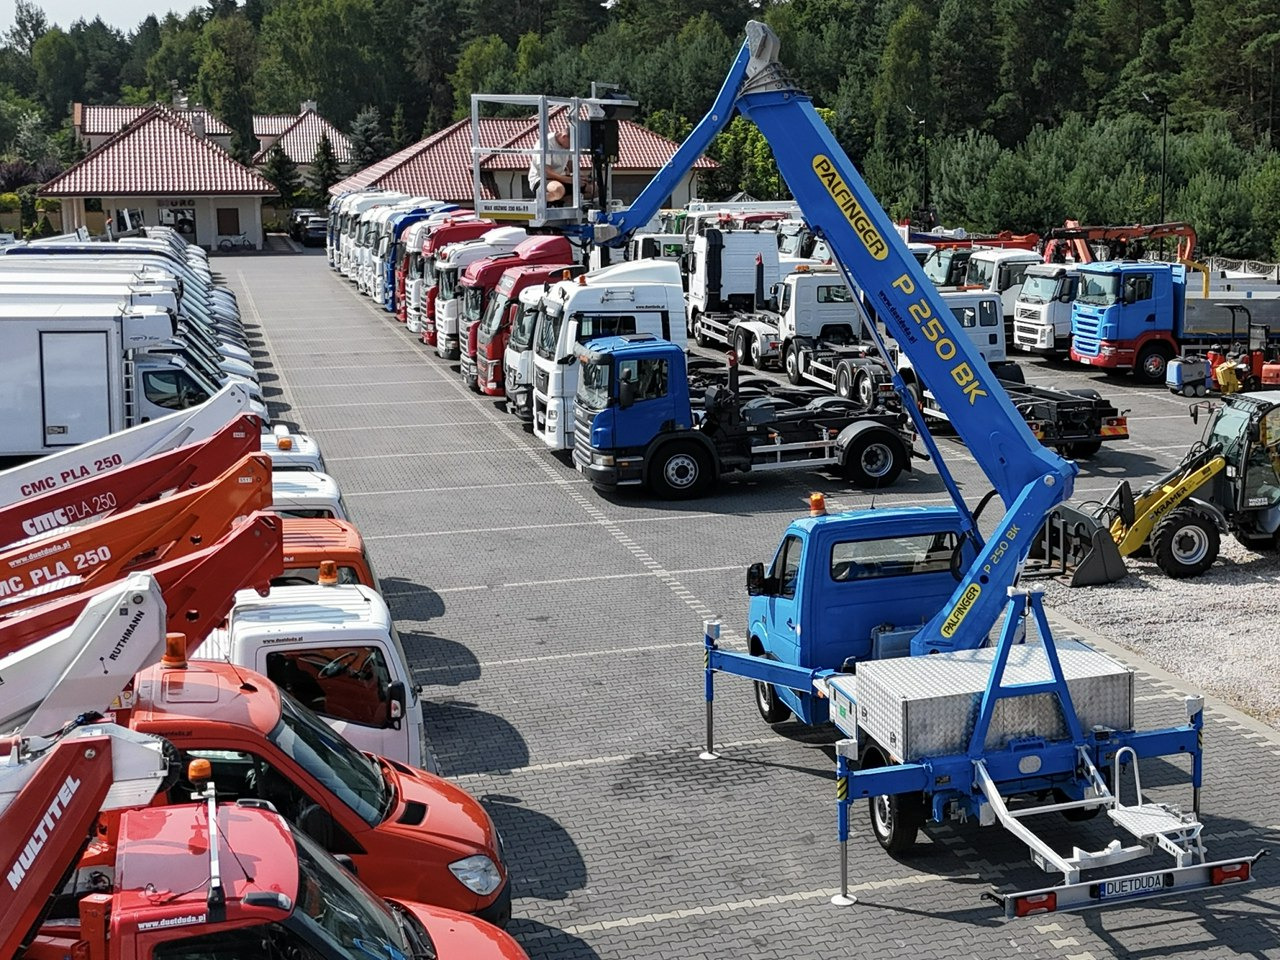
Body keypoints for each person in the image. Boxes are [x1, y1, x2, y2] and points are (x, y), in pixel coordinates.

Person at [528, 129, 593, 204]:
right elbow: (546, 171)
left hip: (562, 178)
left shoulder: (569, 146)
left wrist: (581, 177)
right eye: (571, 144)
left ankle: (562, 201)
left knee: (594, 189)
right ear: (564, 137)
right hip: (541, 179)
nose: (571, 147)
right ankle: (541, 200)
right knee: (558, 189)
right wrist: (569, 180)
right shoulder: (545, 143)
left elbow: (571, 166)